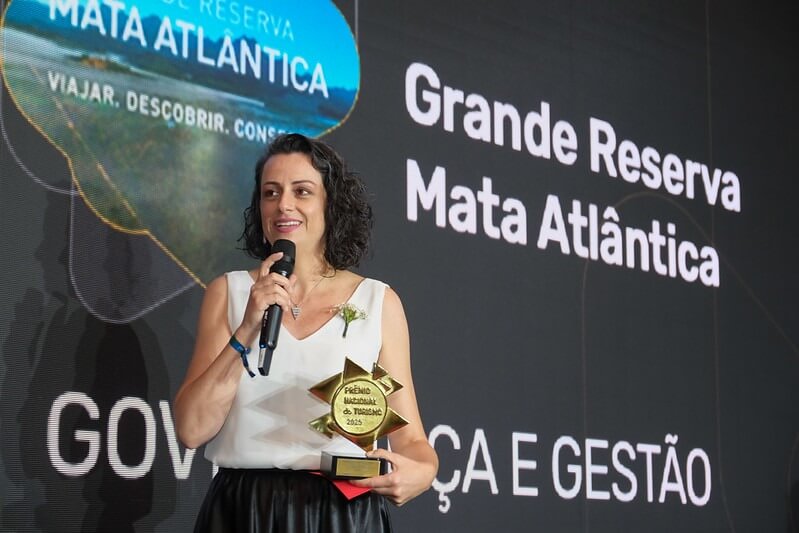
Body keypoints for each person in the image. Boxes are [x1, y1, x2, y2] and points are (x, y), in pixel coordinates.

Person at [174, 133, 438, 532]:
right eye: (271, 192)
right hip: (244, 512)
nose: (284, 205)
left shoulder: (377, 302)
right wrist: (246, 329)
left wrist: (422, 472)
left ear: (331, 205)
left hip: (343, 513)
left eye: (302, 191)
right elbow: (192, 429)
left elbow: (413, 442)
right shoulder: (229, 293)